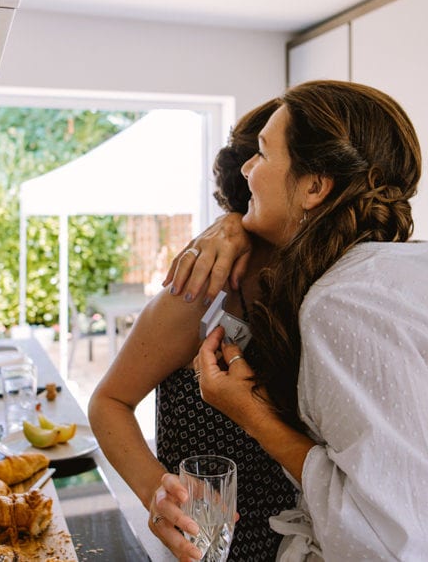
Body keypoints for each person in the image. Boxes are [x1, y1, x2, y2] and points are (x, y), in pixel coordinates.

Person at [161, 80, 428, 560]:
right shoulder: (395, 275)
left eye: (262, 154)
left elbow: (398, 541)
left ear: (314, 186)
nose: (246, 168)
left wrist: (251, 414)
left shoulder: (343, 303)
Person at [88, 101, 298, 562]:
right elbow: (109, 402)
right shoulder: (201, 289)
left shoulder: (320, 284)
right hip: (210, 541)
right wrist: (153, 493)